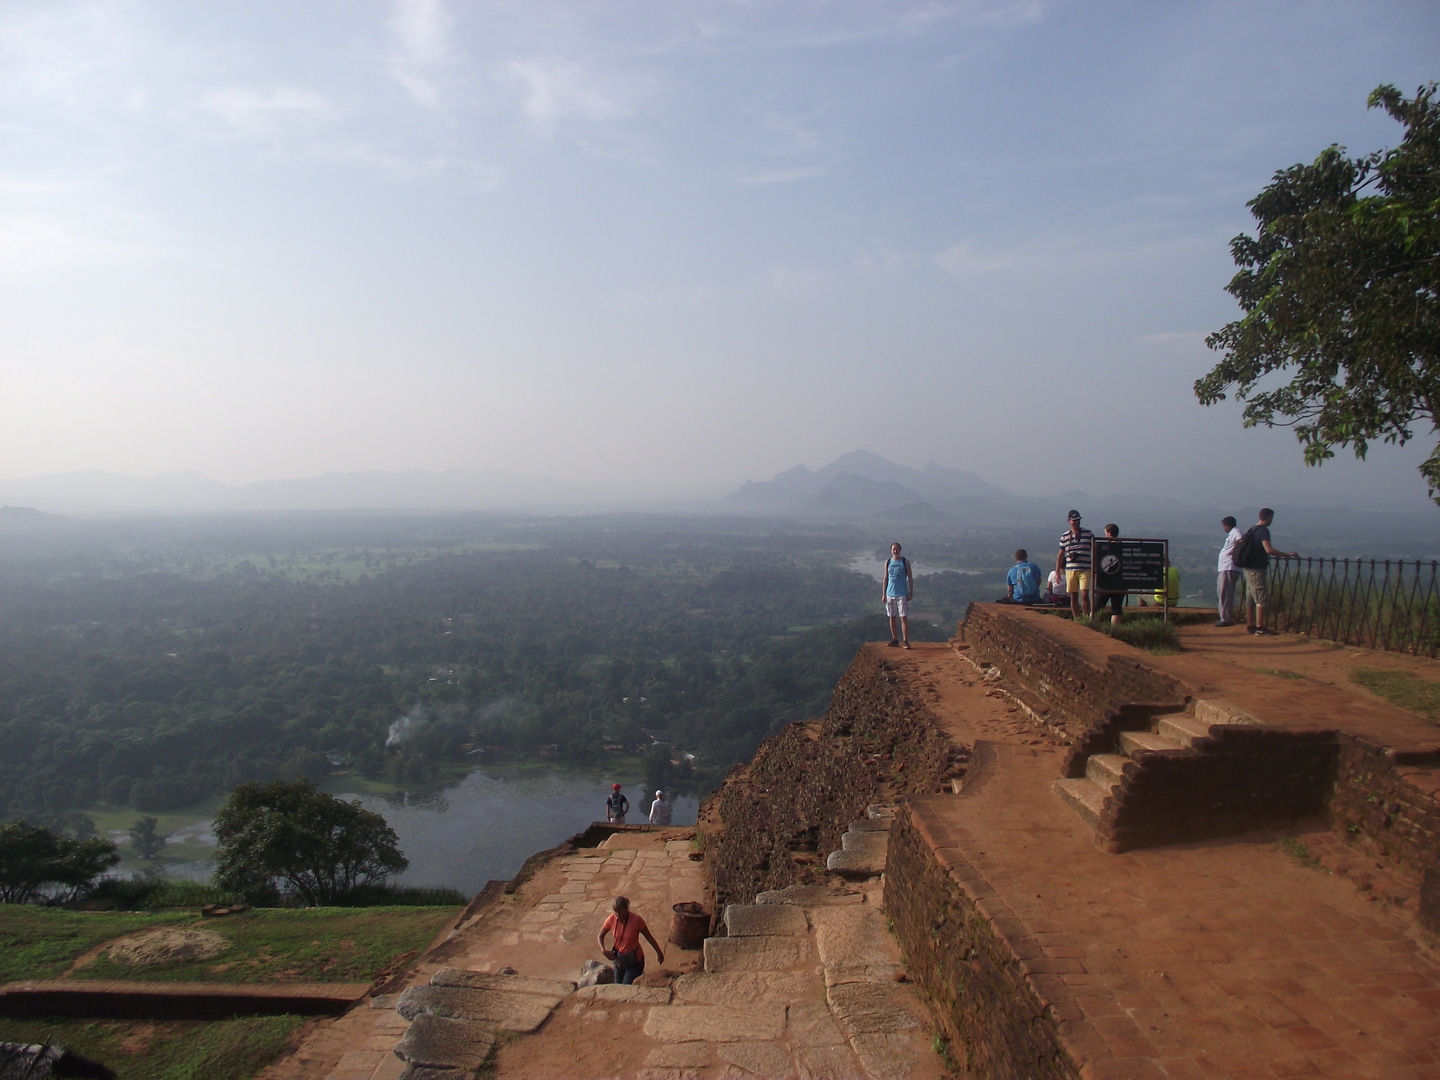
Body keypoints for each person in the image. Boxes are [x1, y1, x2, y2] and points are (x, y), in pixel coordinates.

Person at [1238, 508, 1298, 636]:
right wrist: (1285, 555)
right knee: (1261, 598)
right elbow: (1268, 550)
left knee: (1250, 596)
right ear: (1269, 517)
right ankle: (1260, 627)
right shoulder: (1263, 531)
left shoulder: (1252, 529)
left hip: (1248, 568)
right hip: (1257, 568)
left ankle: (1251, 625)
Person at [597, 895, 664, 985]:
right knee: (617, 987)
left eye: (620, 912)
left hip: (634, 961)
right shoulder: (612, 919)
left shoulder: (636, 920)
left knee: (625, 988)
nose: (617, 915)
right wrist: (603, 950)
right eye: (615, 912)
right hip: (619, 960)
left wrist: (659, 952)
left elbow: (649, 937)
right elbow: (600, 936)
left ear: (626, 910)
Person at [1056, 511, 1094, 618]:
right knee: (1073, 595)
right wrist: (1057, 571)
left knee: (1085, 594)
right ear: (1069, 521)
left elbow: (1095, 550)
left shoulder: (1088, 534)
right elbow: (1061, 554)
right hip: (1070, 569)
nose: (1076, 522)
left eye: (1078, 520)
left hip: (1085, 568)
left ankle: (1086, 618)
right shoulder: (1064, 536)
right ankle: (1077, 618)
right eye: (1074, 520)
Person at [883, 542, 914, 648]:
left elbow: (910, 577)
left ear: (900, 550)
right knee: (892, 617)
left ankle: (905, 640)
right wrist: (884, 594)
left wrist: (911, 592)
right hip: (890, 593)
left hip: (902, 593)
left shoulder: (905, 562)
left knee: (903, 617)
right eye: (893, 549)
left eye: (897, 549)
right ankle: (895, 639)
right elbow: (885, 578)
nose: (895, 551)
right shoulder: (888, 562)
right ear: (891, 551)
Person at [1092, 524, 1125, 624]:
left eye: (1106, 533)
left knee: (1096, 609)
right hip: (1120, 583)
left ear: (1109, 533)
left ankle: (1091, 628)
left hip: (1105, 583)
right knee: (1116, 609)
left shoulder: (1104, 548)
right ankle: (1115, 632)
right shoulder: (1123, 547)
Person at [1216, 516, 1243, 627]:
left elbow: (1241, 540)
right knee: (1223, 592)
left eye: (1224, 525)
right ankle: (1224, 616)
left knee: (1225, 592)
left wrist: (1233, 550)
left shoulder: (1236, 532)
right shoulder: (1232, 533)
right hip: (1225, 567)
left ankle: (1225, 618)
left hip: (1229, 567)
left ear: (1227, 525)